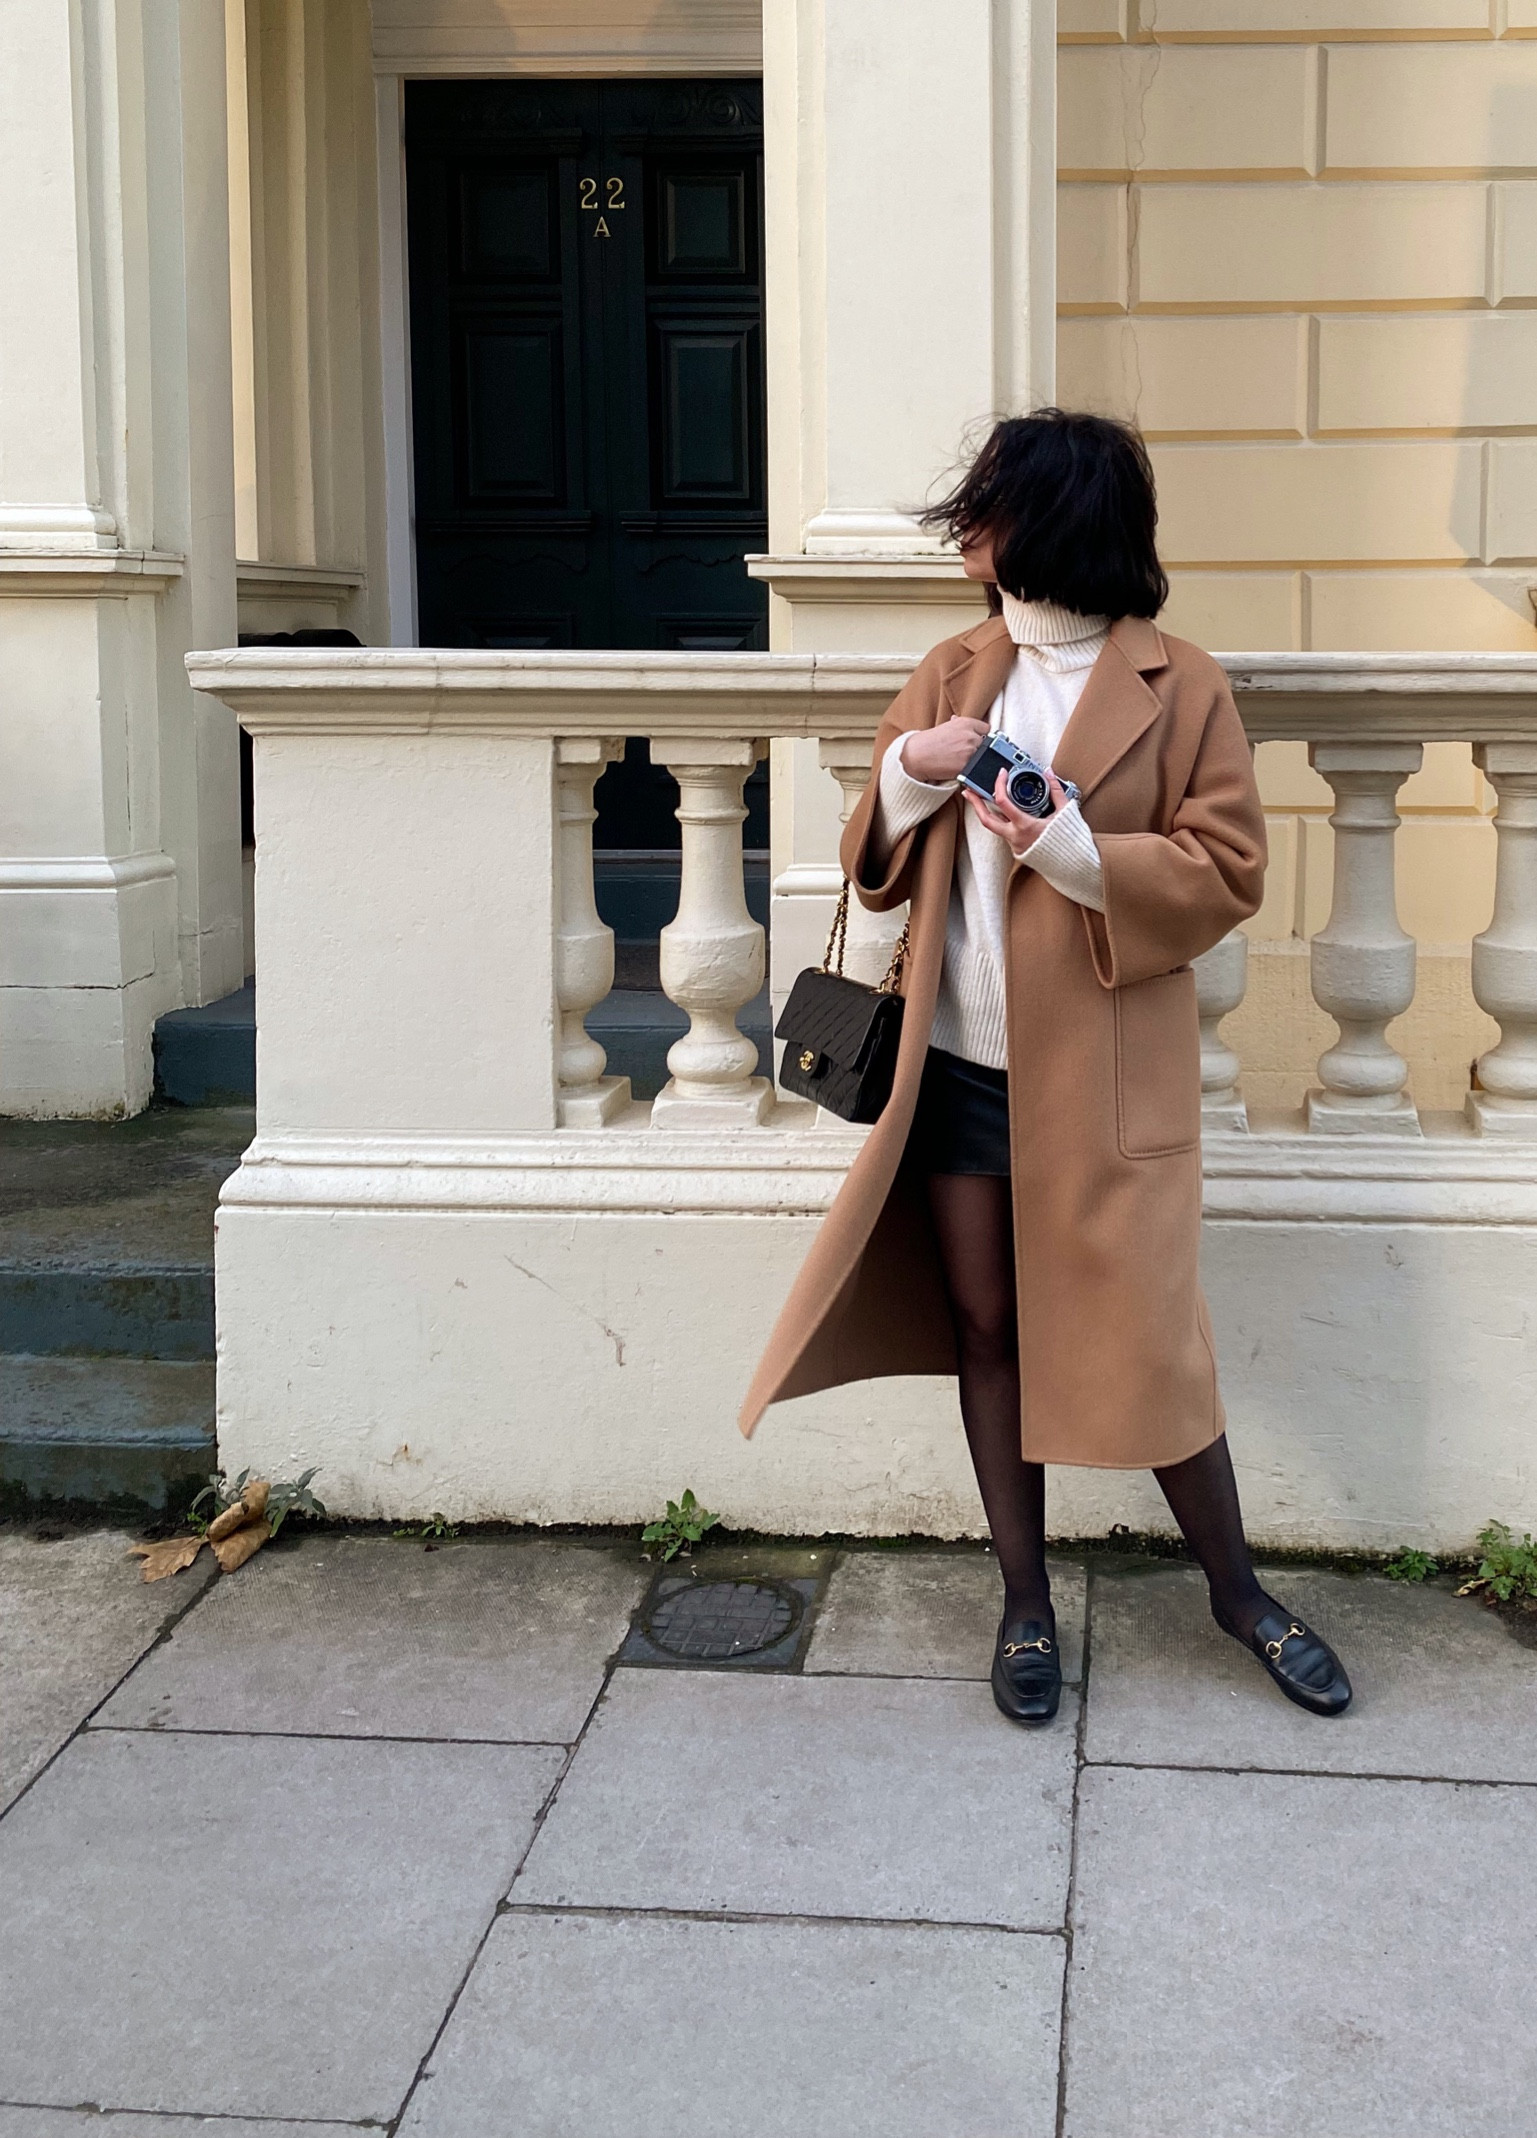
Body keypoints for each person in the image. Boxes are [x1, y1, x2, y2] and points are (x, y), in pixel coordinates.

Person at [740, 409, 1351, 1726]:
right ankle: (1023, 1600)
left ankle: (1236, 1593)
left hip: (1106, 1088)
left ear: (1053, 521)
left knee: (1151, 1343)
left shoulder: (1178, 683)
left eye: (988, 505)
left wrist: (1075, 853)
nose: (965, 529)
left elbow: (1231, 869)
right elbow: (870, 855)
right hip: (953, 1066)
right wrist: (906, 774)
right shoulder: (956, 665)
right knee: (982, 1327)